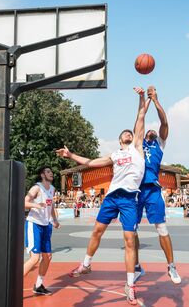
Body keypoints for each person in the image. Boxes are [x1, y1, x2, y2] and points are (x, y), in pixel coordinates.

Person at [56, 87, 146, 305]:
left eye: (131, 132)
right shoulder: (114, 155)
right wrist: (70, 155)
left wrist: (142, 97)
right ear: (119, 139)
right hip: (112, 197)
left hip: (128, 199)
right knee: (97, 230)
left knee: (129, 240)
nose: (129, 133)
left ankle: (130, 285)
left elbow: (141, 116)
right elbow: (89, 163)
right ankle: (86, 264)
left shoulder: (137, 148)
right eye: (125, 132)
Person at [135, 86, 181, 285]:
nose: (153, 130)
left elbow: (164, 121)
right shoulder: (138, 143)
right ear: (145, 134)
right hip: (136, 190)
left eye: (155, 130)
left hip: (153, 189)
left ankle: (171, 267)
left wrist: (155, 100)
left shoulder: (159, 144)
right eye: (149, 130)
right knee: (131, 230)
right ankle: (136, 266)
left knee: (162, 228)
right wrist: (144, 99)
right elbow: (140, 118)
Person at [23, 166, 60, 296]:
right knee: (34, 258)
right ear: (42, 175)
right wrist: (36, 205)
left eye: (51, 171)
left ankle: (38, 285)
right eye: (48, 172)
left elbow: (51, 205)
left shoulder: (52, 189)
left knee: (47, 256)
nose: (51, 173)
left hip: (46, 225)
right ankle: (12, 284)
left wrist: (54, 219)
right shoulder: (36, 188)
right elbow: (24, 202)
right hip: (34, 224)